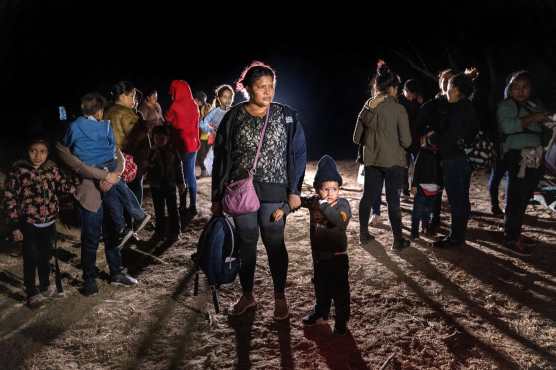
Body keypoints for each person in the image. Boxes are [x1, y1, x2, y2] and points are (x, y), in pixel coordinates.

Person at [211, 61, 307, 320]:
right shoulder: (234, 116)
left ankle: (279, 297)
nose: (267, 92)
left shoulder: (286, 115)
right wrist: (216, 196)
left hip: (275, 192)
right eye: (261, 87)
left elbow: (298, 154)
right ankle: (248, 295)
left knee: (275, 243)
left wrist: (295, 190)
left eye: (271, 87)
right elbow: (221, 157)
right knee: (246, 245)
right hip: (241, 192)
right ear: (247, 89)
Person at [273, 155, 351, 335]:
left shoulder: (342, 205)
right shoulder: (315, 201)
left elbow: (340, 222)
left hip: (338, 259)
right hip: (319, 258)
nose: (330, 192)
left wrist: (324, 206)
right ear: (317, 189)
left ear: (339, 188)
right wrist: (283, 209)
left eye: (334, 188)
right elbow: (297, 202)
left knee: (340, 291)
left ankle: (341, 321)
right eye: (325, 188)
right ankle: (321, 312)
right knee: (321, 287)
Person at [63, 93, 150, 248]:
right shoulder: (106, 125)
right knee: (117, 188)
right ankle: (138, 215)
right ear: (99, 112)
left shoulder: (74, 126)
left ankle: (123, 227)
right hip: (109, 161)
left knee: (110, 196)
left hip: (94, 166)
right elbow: (113, 144)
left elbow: (67, 143)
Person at [5, 137, 75, 307]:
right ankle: (31, 291)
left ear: (47, 153)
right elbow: (10, 199)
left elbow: (64, 185)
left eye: (42, 151)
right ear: (27, 151)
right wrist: (14, 225)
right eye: (33, 151)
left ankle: (44, 285)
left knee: (46, 255)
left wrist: (79, 183)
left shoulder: (51, 169)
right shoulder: (18, 171)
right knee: (31, 257)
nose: (38, 155)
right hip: (29, 223)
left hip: (49, 222)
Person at [353, 61, 412, 250]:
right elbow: (407, 141)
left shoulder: (368, 107)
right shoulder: (399, 109)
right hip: (394, 162)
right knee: (393, 201)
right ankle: (397, 241)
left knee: (368, 197)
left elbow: (356, 138)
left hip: (372, 161)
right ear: (393, 88)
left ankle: (363, 235)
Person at [497, 71, 550, 255]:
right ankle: (511, 238)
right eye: (516, 87)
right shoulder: (506, 106)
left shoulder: (534, 104)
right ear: (509, 88)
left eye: (524, 87)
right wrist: (534, 118)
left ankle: (515, 232)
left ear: (531, 89)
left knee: (525, 196)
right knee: (516, 197)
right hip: (517, 156)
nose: (520, 91)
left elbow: (545, 130)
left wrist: (547, 122)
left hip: (535, 156)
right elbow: (507, 127)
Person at [426, 73, 479, 248]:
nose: (446, 90)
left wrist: (432, 138)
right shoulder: (468, 107)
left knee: (456, 200)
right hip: (463, 159)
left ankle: (456, 238)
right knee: (462, 198)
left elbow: (448, 137)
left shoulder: (457, 110)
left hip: (454, 159)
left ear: (455, 90)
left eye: (448, 86)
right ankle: (458, 234)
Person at [166, 80, 200, 216]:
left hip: (180, 145)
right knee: (190, 174)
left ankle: (183, 205)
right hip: (193, 144)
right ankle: (193, 205)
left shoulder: (175, 105)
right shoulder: (194, 104)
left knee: (180, 176)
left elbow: (167, 119)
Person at [147, 125, 186, 242]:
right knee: (159, 210)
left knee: (173, 209)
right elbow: (146, 167)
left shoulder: (173, 152)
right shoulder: (151, 152)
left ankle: (175, 231)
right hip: (156, 186)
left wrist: (181, 183)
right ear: (153, 138)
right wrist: (150, 162)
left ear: (167, 138)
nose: (159, 140)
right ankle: (160, 231)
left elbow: (179, 168)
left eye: (162, 138)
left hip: (170, 185)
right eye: (156, 138)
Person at [194, 91, 213, 177]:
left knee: (206, 156)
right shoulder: (201, 112)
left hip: (208, 137)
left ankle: (207, 171)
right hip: (202, 137)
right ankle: (204, 171)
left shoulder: (207, 110)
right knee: (201, 155)